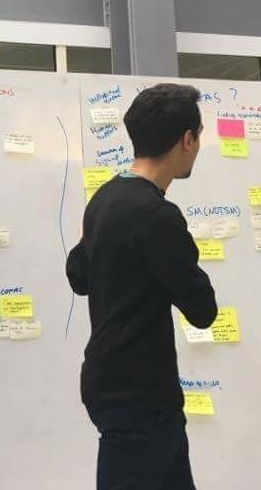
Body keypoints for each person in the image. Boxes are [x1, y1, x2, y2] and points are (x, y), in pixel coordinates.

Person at [66, 84, 218, 490]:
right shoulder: (158, 216)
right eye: (199, 137)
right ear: (187, 139)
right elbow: (203, 311)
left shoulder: (104, 199)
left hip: (114, 383)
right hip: (139, 394)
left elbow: (78, 277)